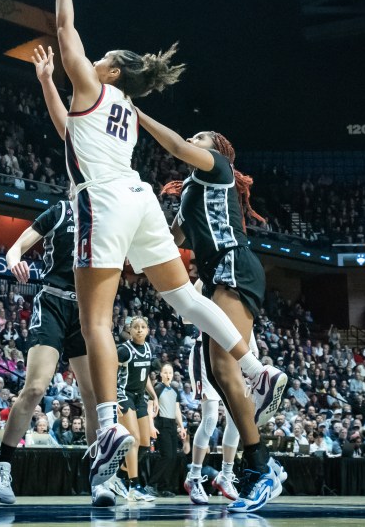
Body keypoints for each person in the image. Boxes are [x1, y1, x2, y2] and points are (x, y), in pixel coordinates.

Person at [48, 0, 287, 492]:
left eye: (100, 57)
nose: (94, 58)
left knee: (96, 322)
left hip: (103, 200)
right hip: (140, 200)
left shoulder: (93, 86)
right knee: (184, 300)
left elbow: (65, 34)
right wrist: (43, 85)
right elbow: (70, 131)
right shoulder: (125, 114)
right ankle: (257, 369)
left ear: (110, 71)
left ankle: (108, 425)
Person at [139, 110, 288, 511]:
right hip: (219, 273)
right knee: (222, 375)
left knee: (225, 368)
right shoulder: (190, 192)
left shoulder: (218, 167)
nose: (193, 138)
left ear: (218, 150)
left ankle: (262, 453)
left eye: (201, 136)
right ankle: (260, 465)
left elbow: (175, 146)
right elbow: (171, 241)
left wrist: (137, 114)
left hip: (235, 263)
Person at [0, 199, 104, 506]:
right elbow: (16, 247)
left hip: (87, 308)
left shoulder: (107, 213)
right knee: (36, 387)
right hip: (52, 302)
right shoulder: (60, 210)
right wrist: (14, 260)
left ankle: (99, 479)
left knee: (92, 396)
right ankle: (2, 467)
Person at [184, 326, 243, 504]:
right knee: (210, 419)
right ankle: (193, 476)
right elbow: (187, 316)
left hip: (230, 353)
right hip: (205, 352)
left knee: (235, 420)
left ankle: (225, 475)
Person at [109, 317, 158, 503]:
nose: (139, 330)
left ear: (147, 330)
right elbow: (110, 374)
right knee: (134, 440)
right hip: (124, 395)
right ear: (129, 330)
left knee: (145, 443)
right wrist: (113, 400)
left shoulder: (147, 349)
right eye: (135, 327)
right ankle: (134, 486)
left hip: (140, 397)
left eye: (143, 327)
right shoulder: (123, 350)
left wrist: (154, 396)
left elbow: (144, 377)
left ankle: (120, 475)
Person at [147, 363, 188, 498]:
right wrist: (151, 425)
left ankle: (164, 487)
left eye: (170, 373)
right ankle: (151, 484)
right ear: (161, 374)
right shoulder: (157, 389)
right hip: (161, 423)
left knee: (173, 457)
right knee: (166, 456)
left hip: (171, 424)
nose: (168, 375)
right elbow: (150, 407)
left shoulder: (175, 391)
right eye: (165, 372)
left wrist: (181, 427)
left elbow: (176, 410)